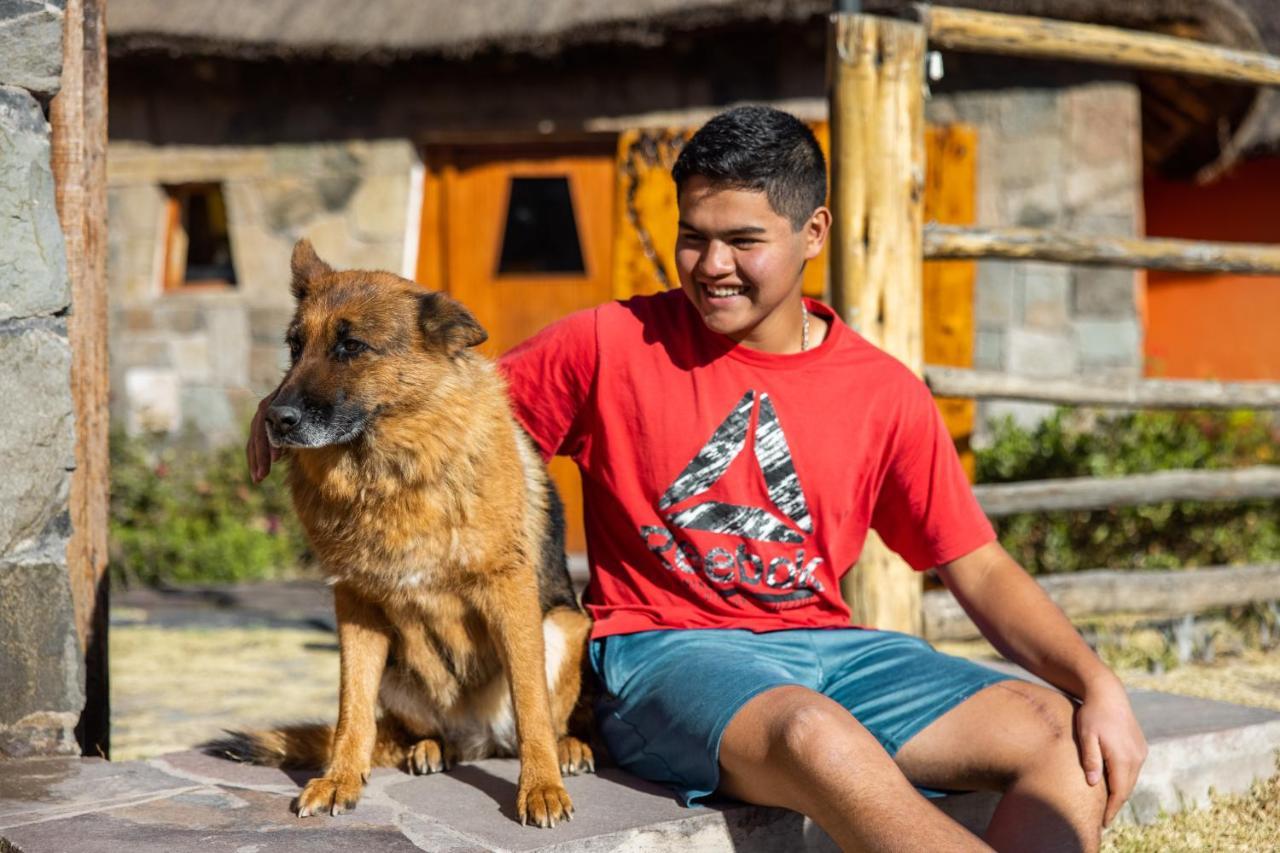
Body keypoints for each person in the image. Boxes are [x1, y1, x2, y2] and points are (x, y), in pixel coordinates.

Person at [248, 105, 1146, 851]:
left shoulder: (884, 391)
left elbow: (976, 563)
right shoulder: (606, 342)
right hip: (661, 654)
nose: (711, 266)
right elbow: (437, 393)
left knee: (1059, 733)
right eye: (693, 239)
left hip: (830, 647)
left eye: (743, 240)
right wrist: (286, 409)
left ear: (813, 232)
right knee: (814, 737)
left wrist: (1097, 682)